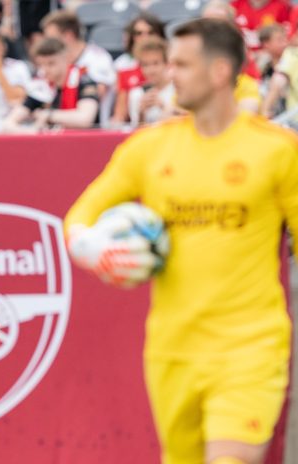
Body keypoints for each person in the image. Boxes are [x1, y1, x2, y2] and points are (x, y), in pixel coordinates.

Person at [65, 18, 298, 464]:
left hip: (251, 347)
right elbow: (79, 217)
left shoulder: (277, 149)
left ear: (219, 72)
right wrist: (96, 250)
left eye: (182, 65)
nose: (169, 74)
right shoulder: (148, 149)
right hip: (172, 349)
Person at [3, 37, 99, 132]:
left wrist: (48, 115)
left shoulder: (84, 79)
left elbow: (85, 119)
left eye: (51, 64)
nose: (45, 70)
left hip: (85, 140)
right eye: (41, 64)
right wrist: (32, 132)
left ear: (66, 58)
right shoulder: (41, 87)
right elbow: (8, 123)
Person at [40, 10, 116, 121]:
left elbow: (97, 93)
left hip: (93, 127)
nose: (48, 43)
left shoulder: (97, 57)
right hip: (60, 124)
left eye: (51, 38)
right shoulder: (52, 60)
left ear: (68, 36)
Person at [109, 12, 165, 125]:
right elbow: (119, 116)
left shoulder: (174, 64)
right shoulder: (124, 68)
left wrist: (164, 106)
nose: (145, 37)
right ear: (132, 37)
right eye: (139, 33)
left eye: (151, 32)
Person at [127, 37, 175, 127]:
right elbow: (136, 133)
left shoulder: (179, 90)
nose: (150, 70)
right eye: (145, 64)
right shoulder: (136, 93)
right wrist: (141, 113)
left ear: (167, 63)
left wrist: (163, 107)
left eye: (155, 63)